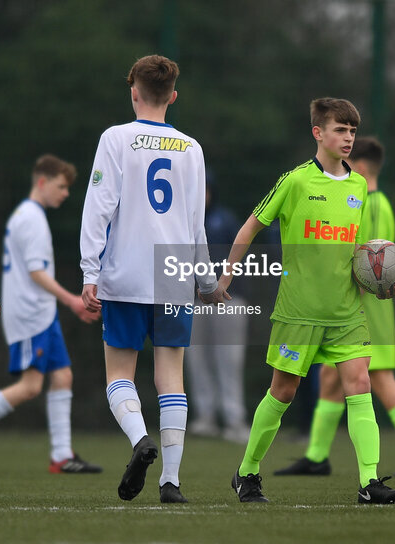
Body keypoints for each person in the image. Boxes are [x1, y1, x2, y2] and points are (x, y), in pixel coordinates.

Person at [222, 98, 395, 505]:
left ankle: (369, 482)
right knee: (283, 392)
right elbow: (251, 227)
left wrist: (380, 280)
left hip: (345, 312)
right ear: (317, 133)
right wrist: (227, 273)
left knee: (359, 385)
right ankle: (247, 472)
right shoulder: (296, 181)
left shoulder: (359, 185)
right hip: (299, 313)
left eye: (353, 131)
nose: (348, 138)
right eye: (340, 130)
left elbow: (360, 252)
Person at [80, 54, 228, 504]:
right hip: (174, 276)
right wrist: (206, 282)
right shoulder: (192, 148)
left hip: (125, 272)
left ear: (133, 92)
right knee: (172, 378)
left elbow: (99, 207)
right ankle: (171, 481)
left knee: (119, 373)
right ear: (174, 97)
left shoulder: (115, 138)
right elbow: (194, 224)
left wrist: (90, 270)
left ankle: (139, 438)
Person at [274, 136, 395, 478]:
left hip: (366, 306)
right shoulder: (372, 201)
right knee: (331, 379)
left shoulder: (372, 204)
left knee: (377, 378)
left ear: (361, 168)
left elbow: (374, 262)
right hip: (350, 304)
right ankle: (317, 456)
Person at [0, 154, 102, 474]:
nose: (65, 193)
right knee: (31, 386)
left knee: (63, 376)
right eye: (61, 186)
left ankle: (61, 456)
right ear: (42, 183)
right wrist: (72, 301)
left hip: (41, 313)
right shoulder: (30, 218)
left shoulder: (30, 216)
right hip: (31, 315)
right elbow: (36, 274)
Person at [184, 181, 250, 443]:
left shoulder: (226, 220)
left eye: (206, 190)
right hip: (193, 299)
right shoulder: (184, 222)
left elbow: (242, 258)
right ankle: (206, 417)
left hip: (227, 300)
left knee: (230, 359)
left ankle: (234, 419)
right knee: (196, 359)